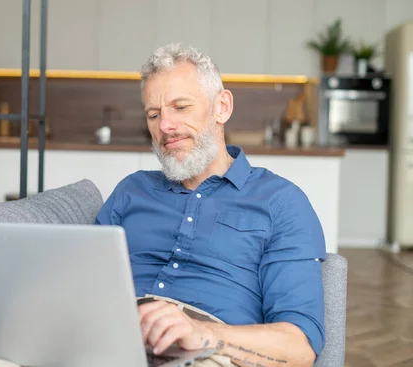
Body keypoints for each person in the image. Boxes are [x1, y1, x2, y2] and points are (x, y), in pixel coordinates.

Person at [94, 43, 326, 367]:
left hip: (209, 354)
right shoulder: (132, 191)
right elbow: (84, 285)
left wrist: (203, 334)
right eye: (154, 114)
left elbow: (299, 347)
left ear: (222, 107)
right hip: (108, 344)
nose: (165, 127)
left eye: (181, 107)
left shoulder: (281, 202)